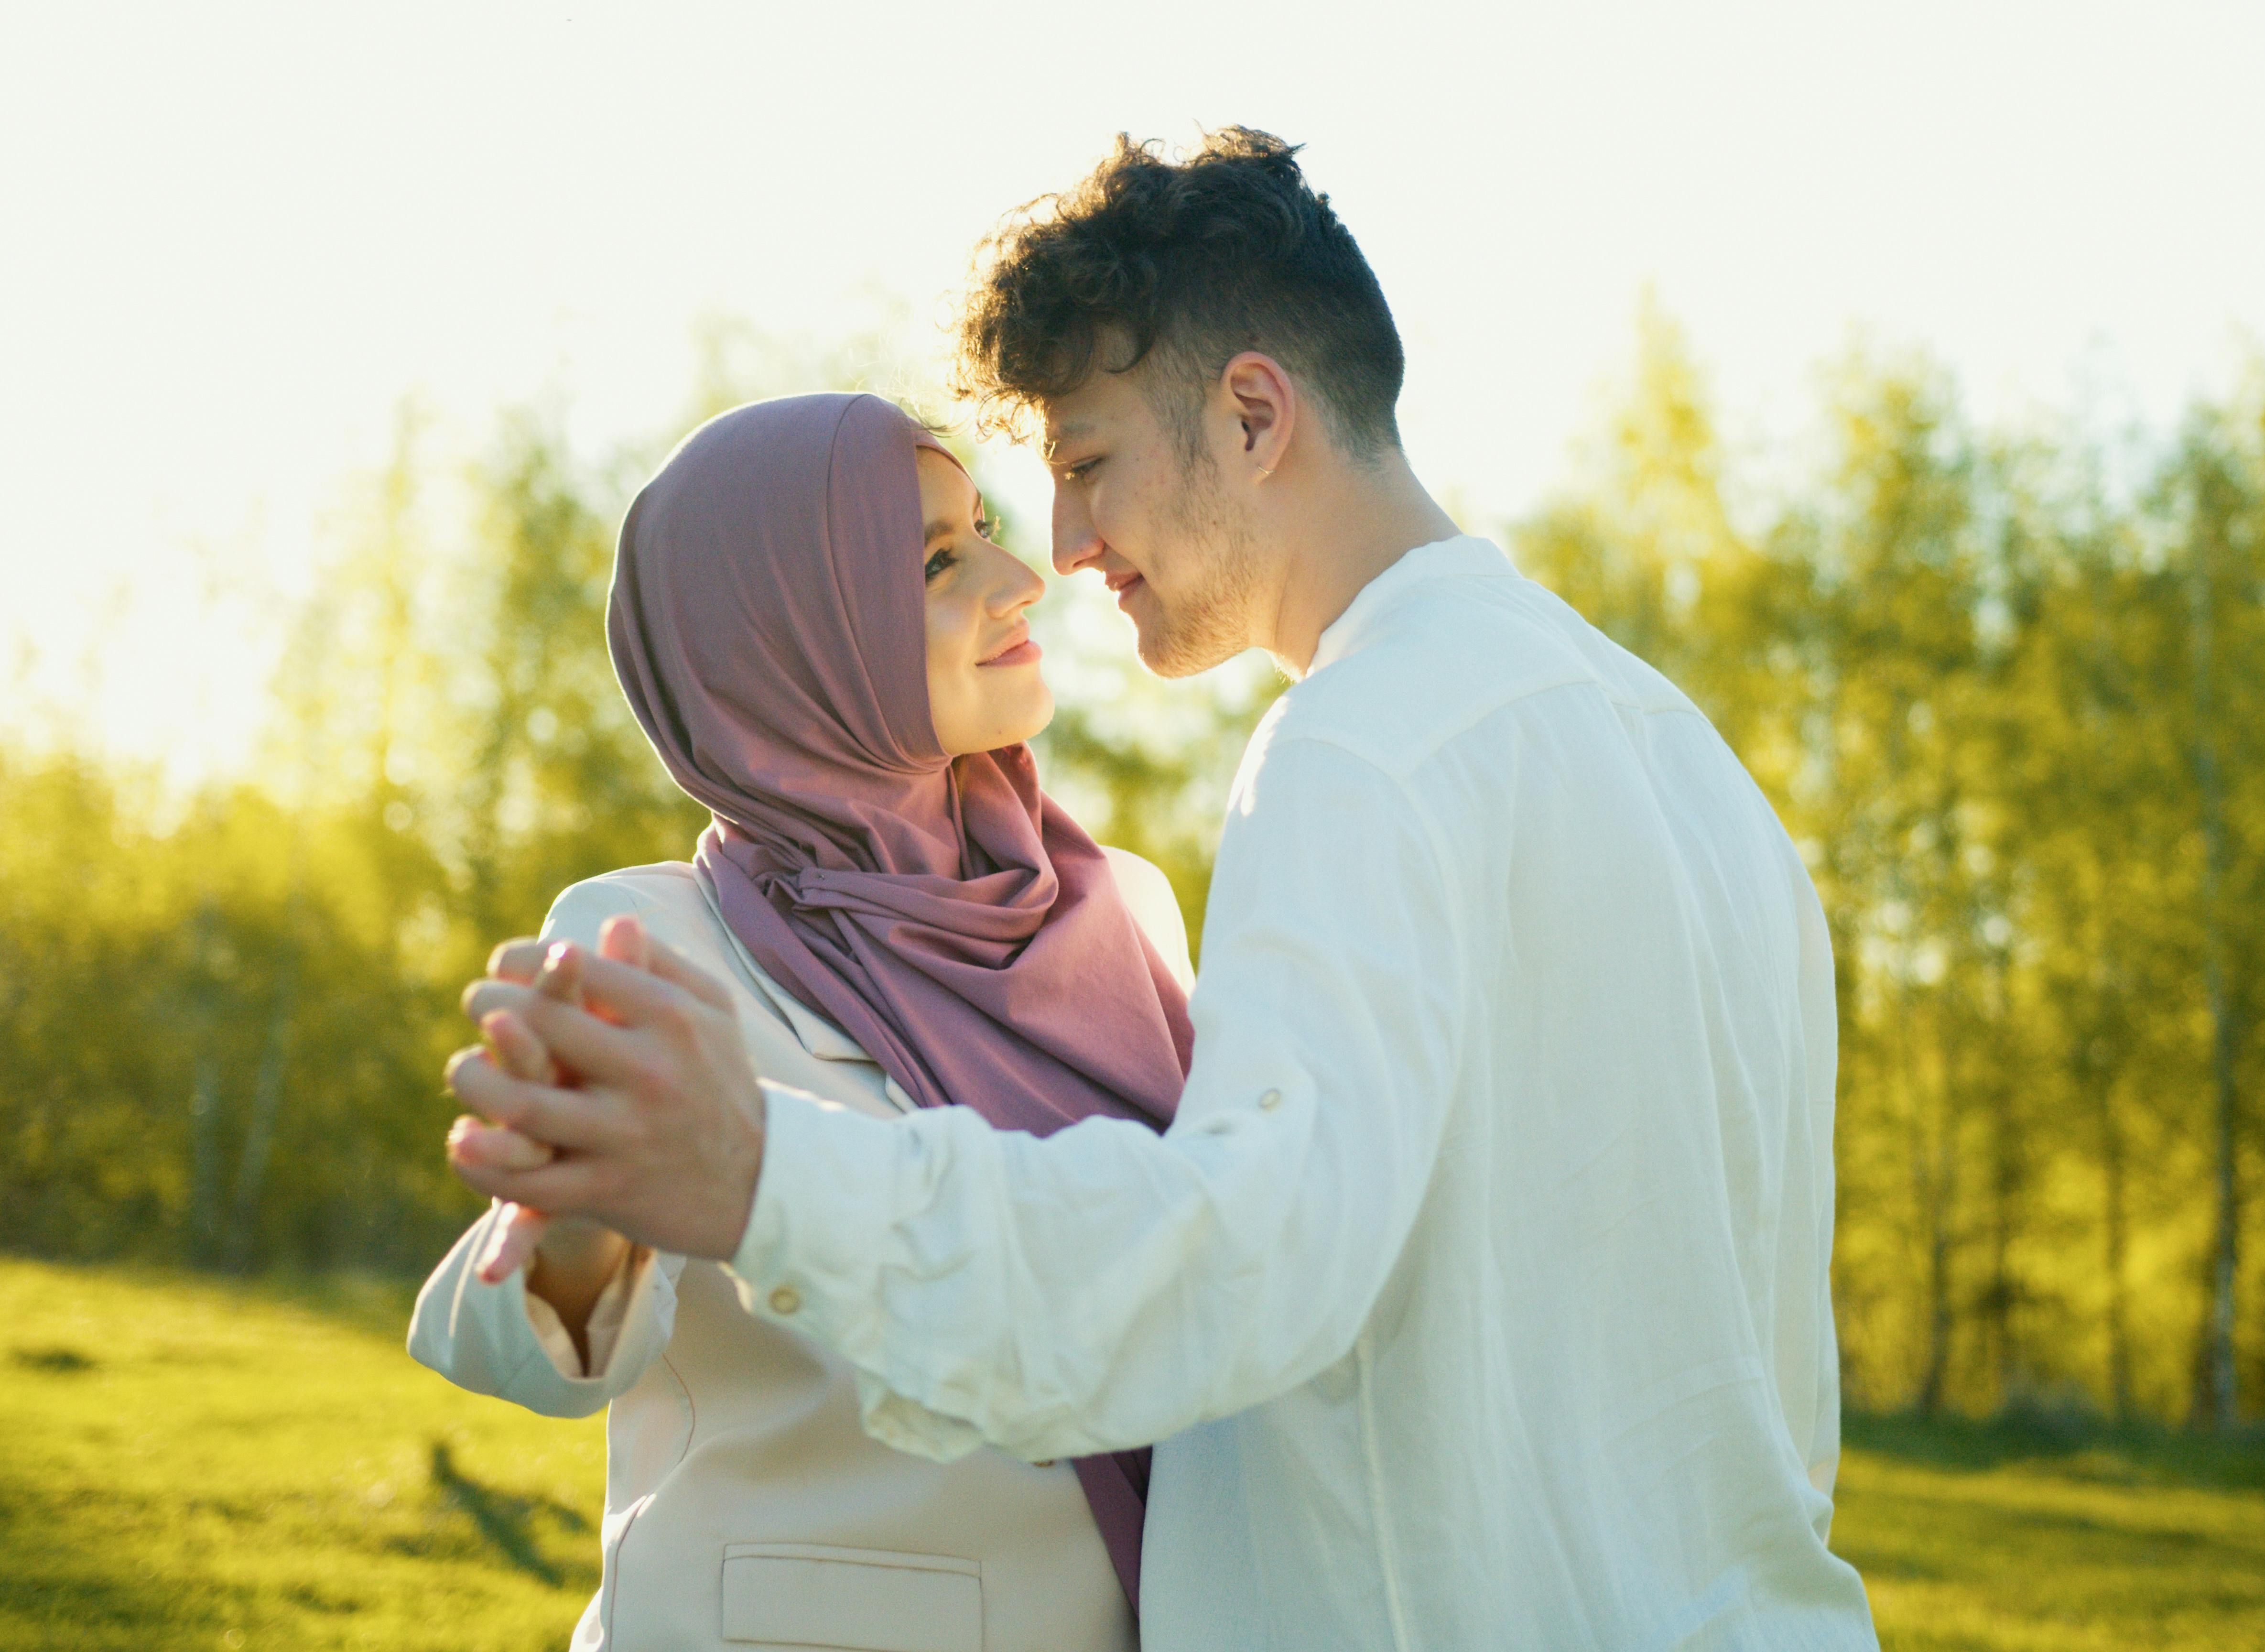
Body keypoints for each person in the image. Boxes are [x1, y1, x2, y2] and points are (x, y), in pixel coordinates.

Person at [449, 129, 1881, 1649]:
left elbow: (1246, 1260)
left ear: (1254, 416)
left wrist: (763, 1178)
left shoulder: (1360, 751)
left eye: (1086, 466)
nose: (1060, 551)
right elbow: (1766, 1362)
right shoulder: (1696, 771)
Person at [413, 391, 1196, 1652]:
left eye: (985, 534)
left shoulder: (1131, 912)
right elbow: (540, 1358)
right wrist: (584, 1206)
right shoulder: (647, 940)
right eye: (935, 563)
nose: (1021, 582)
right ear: (790, 638)